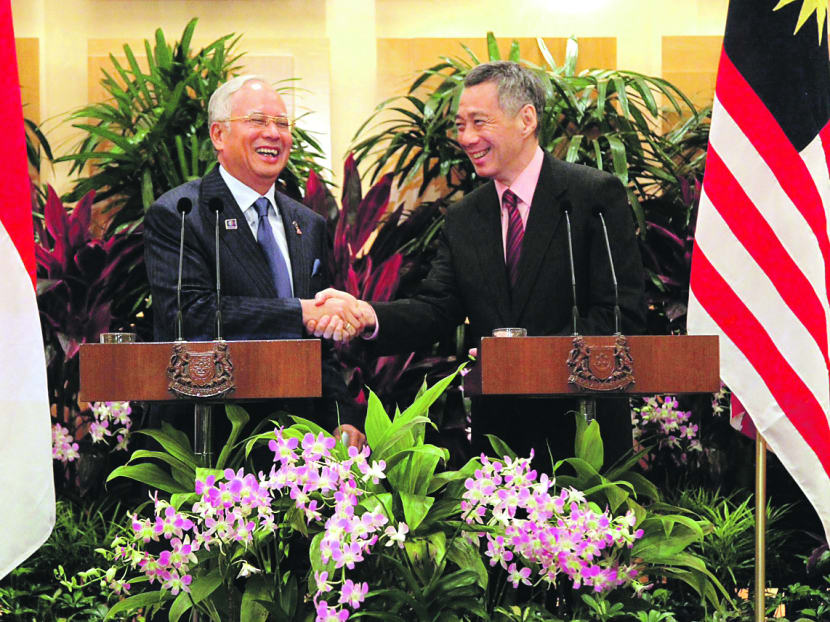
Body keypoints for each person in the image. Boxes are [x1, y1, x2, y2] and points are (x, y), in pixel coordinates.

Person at [310, 61, 646, 468]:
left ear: (526, 119)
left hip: (585, 438)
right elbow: (436, 308)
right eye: (460, 125)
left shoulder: (591, 196)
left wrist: (530, 361)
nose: (467, 138)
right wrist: (367, 315)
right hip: (502, 449)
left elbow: (619, 313)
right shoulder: (466, 217)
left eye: (479, 122)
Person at [144, 74, 366, 448]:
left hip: (298, 443)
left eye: (282, 124)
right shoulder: (181, 213)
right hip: (211, 441)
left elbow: (316, 346)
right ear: (218, 135)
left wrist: (341, 418)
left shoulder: (307, 223)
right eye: (258, 121)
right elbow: (190, 316)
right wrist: (299, 312)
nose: (273, 133)